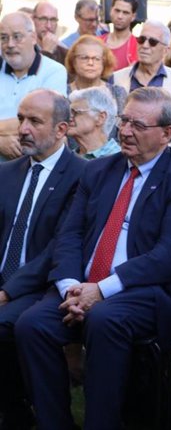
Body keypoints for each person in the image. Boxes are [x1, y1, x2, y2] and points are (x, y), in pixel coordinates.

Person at [14, 87, 171, 430]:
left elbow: (170, 255)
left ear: (166, 134)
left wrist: (101, 290)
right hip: (81, 287)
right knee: (32, 325)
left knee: (104, 319)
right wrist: (71, 287)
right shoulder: (98, 171)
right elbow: (70, 234)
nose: (126, 130)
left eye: (138, 125)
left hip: (147, 290)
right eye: (124, 120)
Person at [0, 89, 86, 430]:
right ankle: (16, 409)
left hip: (46, 284)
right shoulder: (7, 172)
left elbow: (58, 246)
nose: (22, 129)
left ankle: (23, 413)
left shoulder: (82, 175)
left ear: (62, 129)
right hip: (6, 281)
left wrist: (7, 292)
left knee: (7, 325)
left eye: (34, 121)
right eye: (21, 118)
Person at [0, 11, 67, 161]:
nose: (10, 44)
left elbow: (41, 122)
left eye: (17, 37)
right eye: (4, 38)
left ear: (33, 38)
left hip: (35, 160)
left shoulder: (54, 71)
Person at [113, 20, 171, 108]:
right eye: (141, 39)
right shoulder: (116, 79)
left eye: (152, 42)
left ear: (165, 51)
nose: (145, 45)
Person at [65, 35, 127, 113]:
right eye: (84, 57)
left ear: (104, 62)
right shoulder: (62, 92)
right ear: (73, 61)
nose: (90, 63)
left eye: (97, 59)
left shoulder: (117, 94)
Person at [67, 87, 120, 159]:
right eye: (69, 113)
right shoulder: (67, 159)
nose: (69, 118)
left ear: (100, 118)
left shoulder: (119, 159)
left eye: (76, 112)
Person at [100, 0, 138, 71]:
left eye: (125, 13)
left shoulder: (139, 46)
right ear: (111, 11)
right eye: (117, 11)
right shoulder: (97, 42)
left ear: (133, 17)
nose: (120, 16)